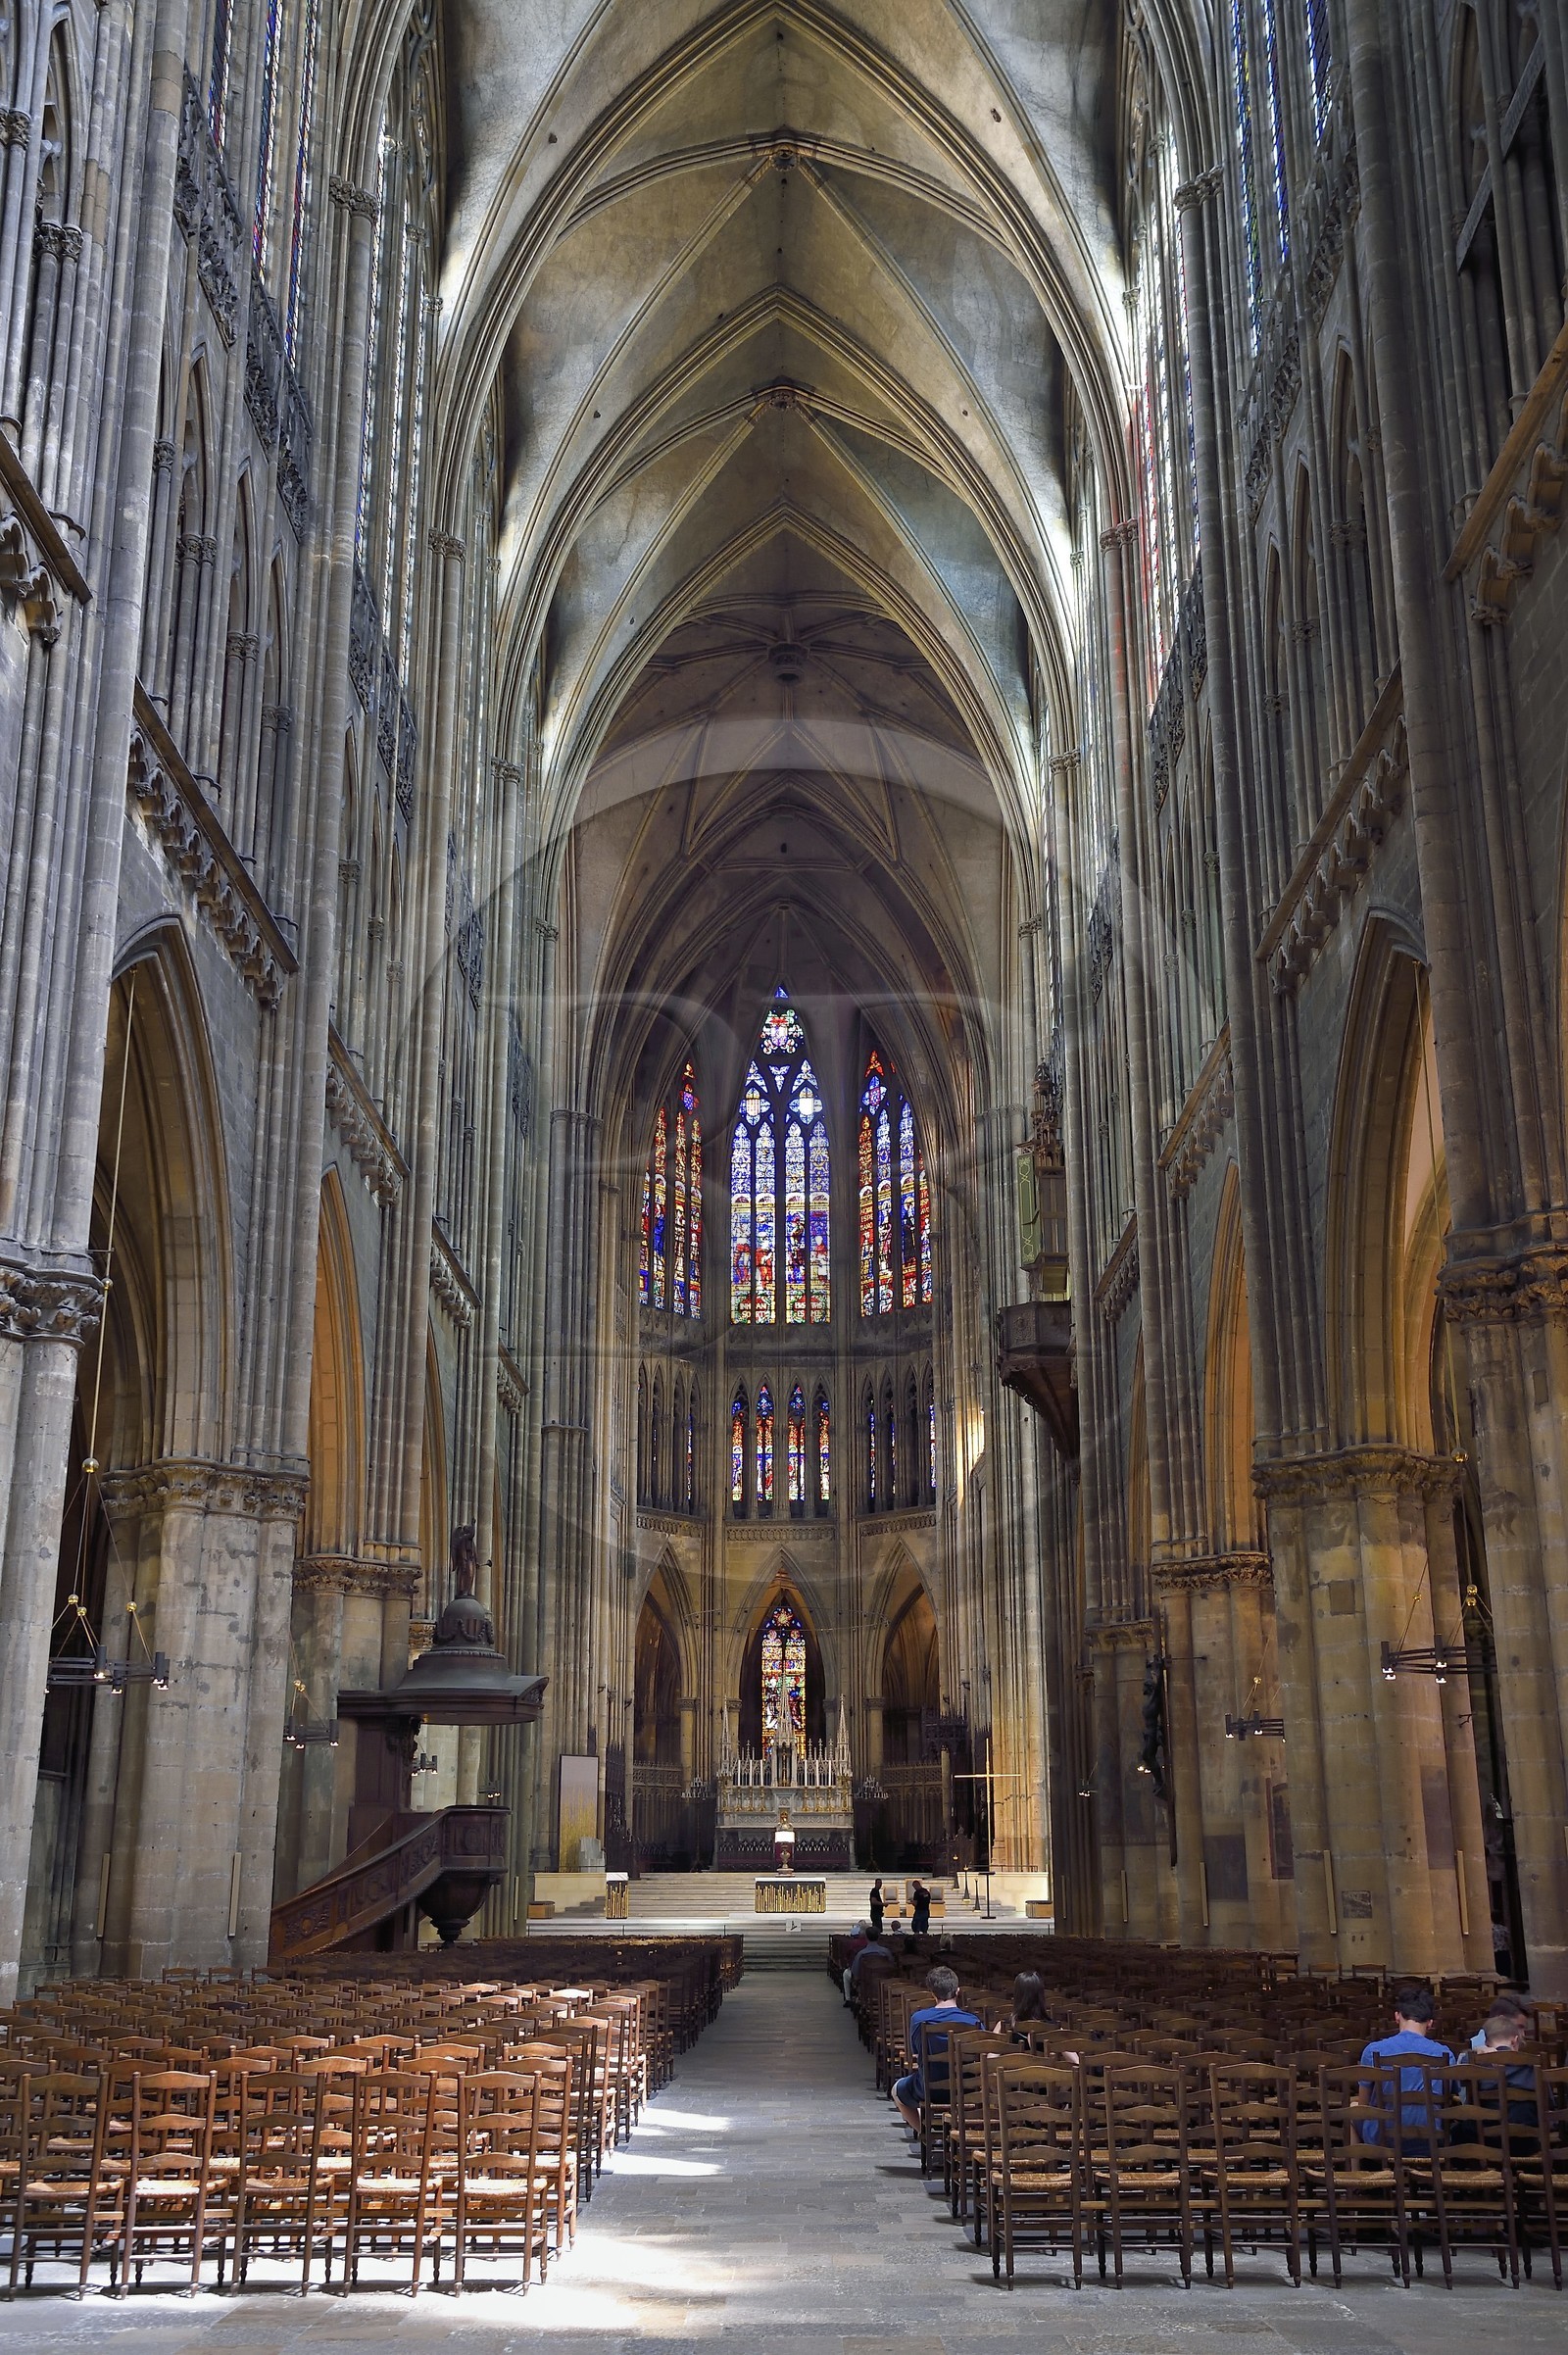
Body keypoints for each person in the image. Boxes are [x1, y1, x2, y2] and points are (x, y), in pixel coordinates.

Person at [1357, 1983, 1453, 2145]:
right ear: (1430, 2023)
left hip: (1384, 2139)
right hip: (1432, 2138)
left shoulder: (1373, 2051)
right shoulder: (1445, 2054)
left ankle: (1358, 2162)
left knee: (1354, 2110)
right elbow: (1450, 2096)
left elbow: (1363, 2103)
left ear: (1397, 2016)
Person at [891, 1965, 979, 2134]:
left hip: (930, 2088)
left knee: (896, 2091)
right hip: (966, 2089)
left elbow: (916, 2051)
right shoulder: (972, 2021)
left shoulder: (919, 2019)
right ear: (958, 1991)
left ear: (932, 1993)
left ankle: (926, 2133)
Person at [846, 1928, 894, 2004]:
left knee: (846, 1974)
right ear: (878, 1937)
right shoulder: (886, 1952)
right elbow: (892, 1967)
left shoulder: (861, 1954)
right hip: (884, 1985)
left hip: (867, 1986)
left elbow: (856, 1973)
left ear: (866, 1937)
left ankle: (849, 1999)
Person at [773, 1809, 796, 1874]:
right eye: (782, 1816)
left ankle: (785, 1863)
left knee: (786, 1853)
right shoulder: (780, 1825)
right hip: (781, 1835)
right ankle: (784, 1863)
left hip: (787, 1835)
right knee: (784, 1852)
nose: (784, 1817)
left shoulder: (788, 1826)